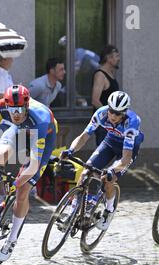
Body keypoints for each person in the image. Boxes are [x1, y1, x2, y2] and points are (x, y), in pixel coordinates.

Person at [0, 85, 57, 262]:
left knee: (23, 189)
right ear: (6, 105)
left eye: (19, 109)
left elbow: (33, 166)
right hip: (19, 130)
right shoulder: (0, 107)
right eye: (12, 109)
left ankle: (11, 240)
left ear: (27, 106)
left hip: (42, 134)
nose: (16, 113)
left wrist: (17, 182)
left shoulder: (39, 118)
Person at [61, 91, 144, 231]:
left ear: (124, 112)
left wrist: (113, 171)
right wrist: (71, 150)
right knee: (86, 171)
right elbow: (84, 136)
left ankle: (109, 211)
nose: (113, 115)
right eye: (111, 111)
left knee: (108, 179)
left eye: (118, 113)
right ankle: (71, 213)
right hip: (109, 142)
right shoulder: (101, 113)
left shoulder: (132, 122)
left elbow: (126, 157)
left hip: (127, 150)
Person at [91, 45, 121, 146]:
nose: (118, 59)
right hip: (103, 124)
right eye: (116, 56)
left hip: (111, 123)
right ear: (108, 58)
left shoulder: (110, 74)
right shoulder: (100, 75)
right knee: (102, 156)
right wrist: (109, 117)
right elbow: (95, 101)